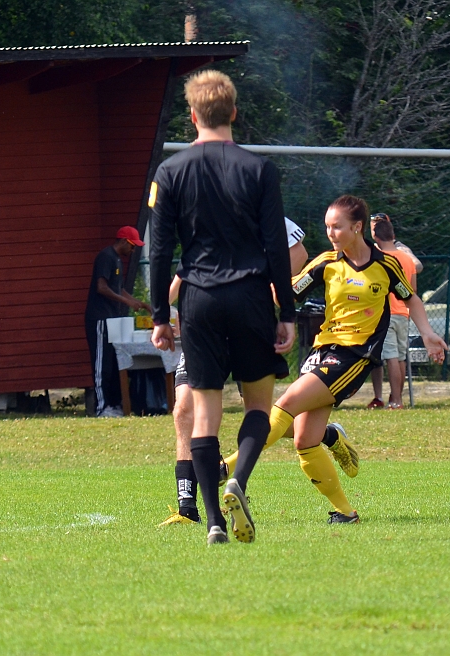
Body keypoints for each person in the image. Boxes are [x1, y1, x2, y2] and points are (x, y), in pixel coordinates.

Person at [149, 69, 296, 545]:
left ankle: (213, 522)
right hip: (251, 295)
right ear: (233, 112)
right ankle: (239, 481)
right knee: (258, 405)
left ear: (192, 116)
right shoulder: (259, 169)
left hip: (199, 301)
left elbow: (160, 251)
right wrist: (287, 313)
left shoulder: (170, 171)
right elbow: (277, 249)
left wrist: (158, 315)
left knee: (204, 414)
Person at [260, 195, 445, 524]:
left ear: (358, 227)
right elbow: (287, 294)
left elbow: (410, 298)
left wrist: (428, 333)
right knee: (304, 439)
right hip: (322, 350)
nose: (330, 232)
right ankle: (345, 509)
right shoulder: (326, 263)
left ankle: (226, 467)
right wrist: (265, 273)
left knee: (285, 404)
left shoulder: (386, 264)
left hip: (355, 356)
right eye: (327, 226)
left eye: (337, 226)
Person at [160, 217, 312, 526]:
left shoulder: (252, 195)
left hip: (246, 321)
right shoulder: (196, 203)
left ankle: (321, 433)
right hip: (203, 320)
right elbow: (185, 266)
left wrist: (267, 291)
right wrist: (159, 311)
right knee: (184, 409)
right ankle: (187, 506)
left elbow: (298, 254)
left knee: (261, 415)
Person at [85, 226, 152, 418]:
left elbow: (119, 288)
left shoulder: (117, 261)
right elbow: (102, 287)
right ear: (123, 241)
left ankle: (113, 404)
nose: (132, 251)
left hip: (112, 320)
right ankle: (101, 407)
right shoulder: (106, 257)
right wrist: (126, 302)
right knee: (101, 365)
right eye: (132, 246)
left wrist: (139, 303)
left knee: (112, 364)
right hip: (99, 318)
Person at [366, 211, 422, 409]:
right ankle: (396, 399)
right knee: (399, 358)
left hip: (386, 314)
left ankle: (396, 401)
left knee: (390, 357)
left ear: (376, 236)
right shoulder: (407, 258)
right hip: (404, 314)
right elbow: (412, 290)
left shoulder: (381, 258)